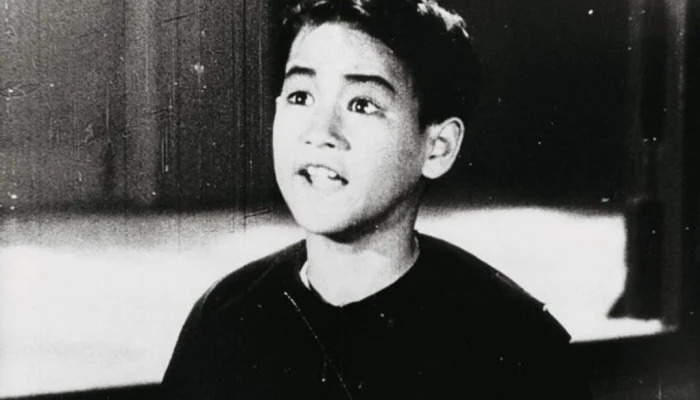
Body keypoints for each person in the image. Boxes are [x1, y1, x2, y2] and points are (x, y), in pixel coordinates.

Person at [162, 0, 588, 398]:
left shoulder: (515, 345)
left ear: (437, 148)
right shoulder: (225, 317)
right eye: (301, 97)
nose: (320, 132)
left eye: (362, 104)